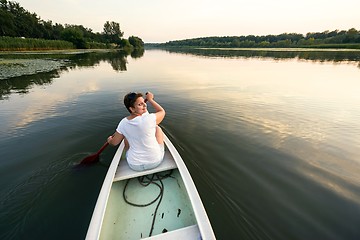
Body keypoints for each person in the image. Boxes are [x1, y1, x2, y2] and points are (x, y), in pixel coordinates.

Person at [107, 91, 166, 171]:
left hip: (134, 165)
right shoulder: (150, 119)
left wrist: (110, 140)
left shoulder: (123, 123)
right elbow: (162, 111)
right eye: (140, 104)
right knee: (157, 128)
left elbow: (114, 143)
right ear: (132, 109)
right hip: (155, 161)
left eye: (143, 102)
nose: (145, 105)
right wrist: (150, 99)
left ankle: (129, 150)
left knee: (125, 138)